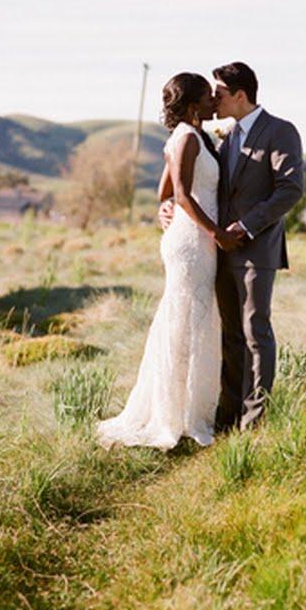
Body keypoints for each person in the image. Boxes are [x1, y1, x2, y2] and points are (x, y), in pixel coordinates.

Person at [159, 60, 305, 433]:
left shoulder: (280, 131)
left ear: (240, 95)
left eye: (219, 93)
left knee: (256, 330)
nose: (214, 99)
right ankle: (230, 413)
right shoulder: (216, 136)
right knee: (228, 333)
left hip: (256, 247)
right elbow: (185, 185)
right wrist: (167, 205)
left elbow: (290, 190)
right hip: (216, 250)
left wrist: (246, 225)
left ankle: (256, 419)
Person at [98, 72, 224, 449]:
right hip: (192, 242)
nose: (213, 102)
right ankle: (175, 417)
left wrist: (167, 207)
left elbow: (163, 192)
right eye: (207, 97)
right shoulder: (186, 137)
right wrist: (215, 232)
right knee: (185, 323)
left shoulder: (195, 136)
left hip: (196, 239)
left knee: (192, 322)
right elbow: (181, 194)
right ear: (191, 106)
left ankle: (188, 409)